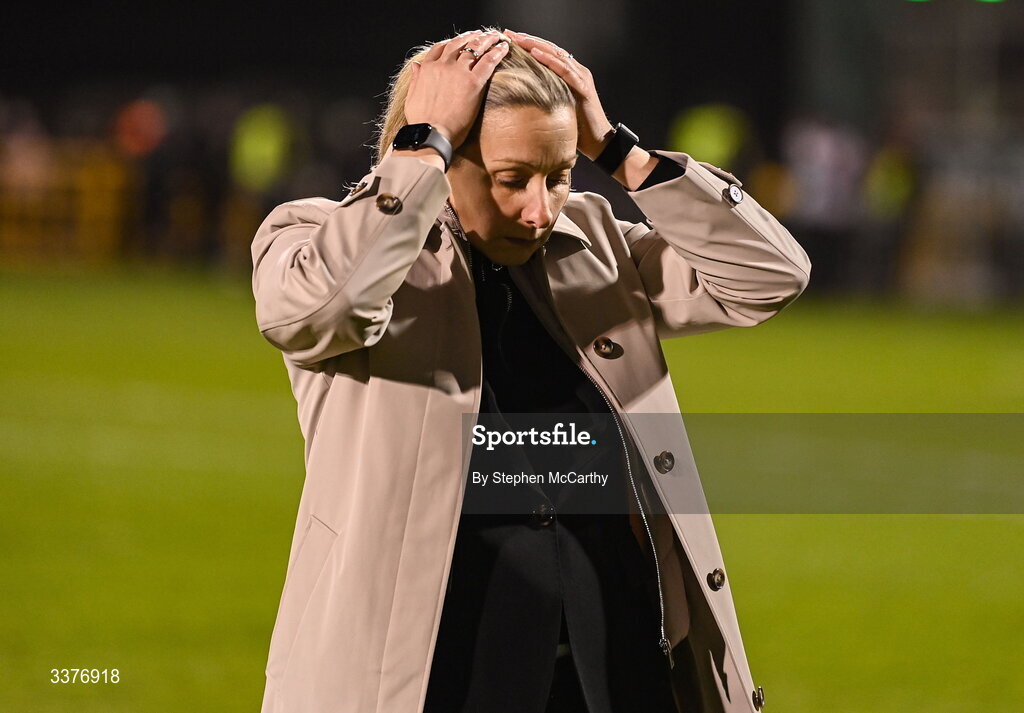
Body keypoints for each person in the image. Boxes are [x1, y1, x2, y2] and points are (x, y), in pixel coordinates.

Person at [251, 28, 810, 713]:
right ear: (436, 154)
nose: (540, 210)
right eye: (513, 178)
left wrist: (619, 150)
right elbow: (323, 307)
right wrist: (420, 147)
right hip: (432, 681)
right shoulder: (314, 240)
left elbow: (769, 275)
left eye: (562, 173)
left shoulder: (596, 242)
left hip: (615, 672)